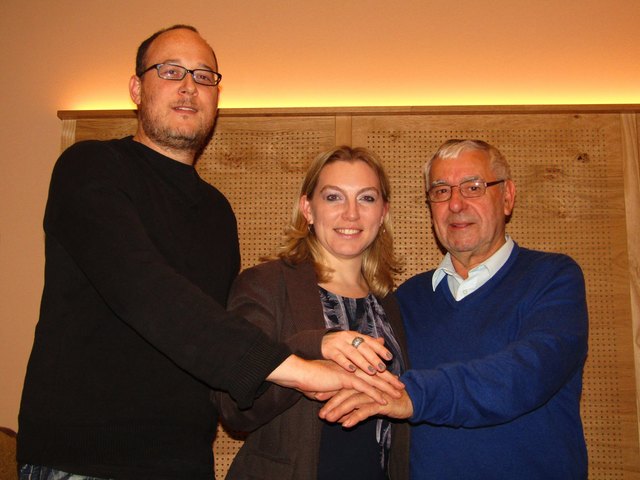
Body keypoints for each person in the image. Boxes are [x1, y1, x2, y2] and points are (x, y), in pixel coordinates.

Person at [17, 25, 402, 480]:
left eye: (204, 76)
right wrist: (301, 366)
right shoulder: (90, 168)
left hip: (184, 459)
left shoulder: (217, 212)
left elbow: (213, 338)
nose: (188, 86)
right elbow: (145, 291)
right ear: (138, 89)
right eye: (171, 70)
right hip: (85, 458)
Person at [320, 139, 589, 479]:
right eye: (441, 191)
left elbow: (526, 373)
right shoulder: (405, 300)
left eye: (473, 187)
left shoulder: (553, 278)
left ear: (507, 197)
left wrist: (414, 395)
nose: (456, 204)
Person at [215, 146, 410, 479]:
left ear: (383, 213)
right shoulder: (266, 284)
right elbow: (232, 407)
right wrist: (311, 347)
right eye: (334, 197)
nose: (351, 214)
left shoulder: (390, 303)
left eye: (366, 199)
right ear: (308, 208)